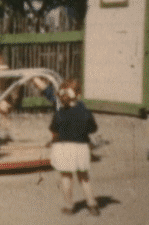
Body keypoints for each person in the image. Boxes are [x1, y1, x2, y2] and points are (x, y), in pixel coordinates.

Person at [33, 77, 101, 216]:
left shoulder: (59, 114)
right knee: (84, 177)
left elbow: (54, 129)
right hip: (81, 148)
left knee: (66, 177)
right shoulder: (85, 113)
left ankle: (70, 206)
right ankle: (92, 204)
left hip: (63, 147)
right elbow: (93, 128)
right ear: (79, 95)